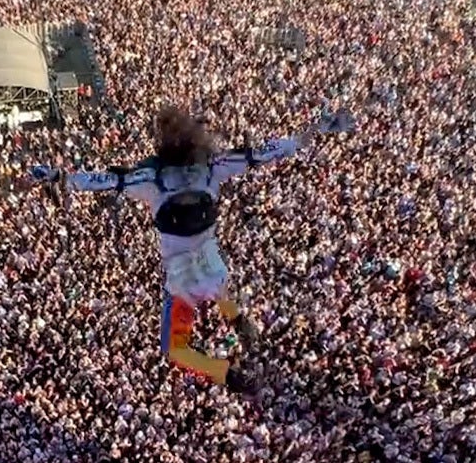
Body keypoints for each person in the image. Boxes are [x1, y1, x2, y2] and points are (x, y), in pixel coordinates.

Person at [30, 105, 354, 393]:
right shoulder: (213, 166)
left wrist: (61, 177)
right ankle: (239, 321)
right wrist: (312, 131)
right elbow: (264, 153)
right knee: (219, 288)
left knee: (175, 349)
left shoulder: (150, 178)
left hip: (180, 275)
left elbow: (103, 181)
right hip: (211, 260)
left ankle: (226, 375)